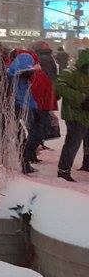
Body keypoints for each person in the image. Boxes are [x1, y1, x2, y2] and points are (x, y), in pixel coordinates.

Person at [55, 49, 89, 182]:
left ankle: (87, 164)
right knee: (73, 142)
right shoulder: (70, 72)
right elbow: (58, 86)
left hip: (86, 114)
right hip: (74, 114)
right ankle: (63, 170)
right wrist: (81, 98)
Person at [7, 52, 41, 174]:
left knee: (21, 136)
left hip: (19, 109)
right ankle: (23, 163)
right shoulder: (13, 79)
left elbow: (27, 96)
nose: (31, 73)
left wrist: (34, 107)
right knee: (19, 136)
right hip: (14, 110)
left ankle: (24, 163)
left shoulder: (20, 77)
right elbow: (20, 96)